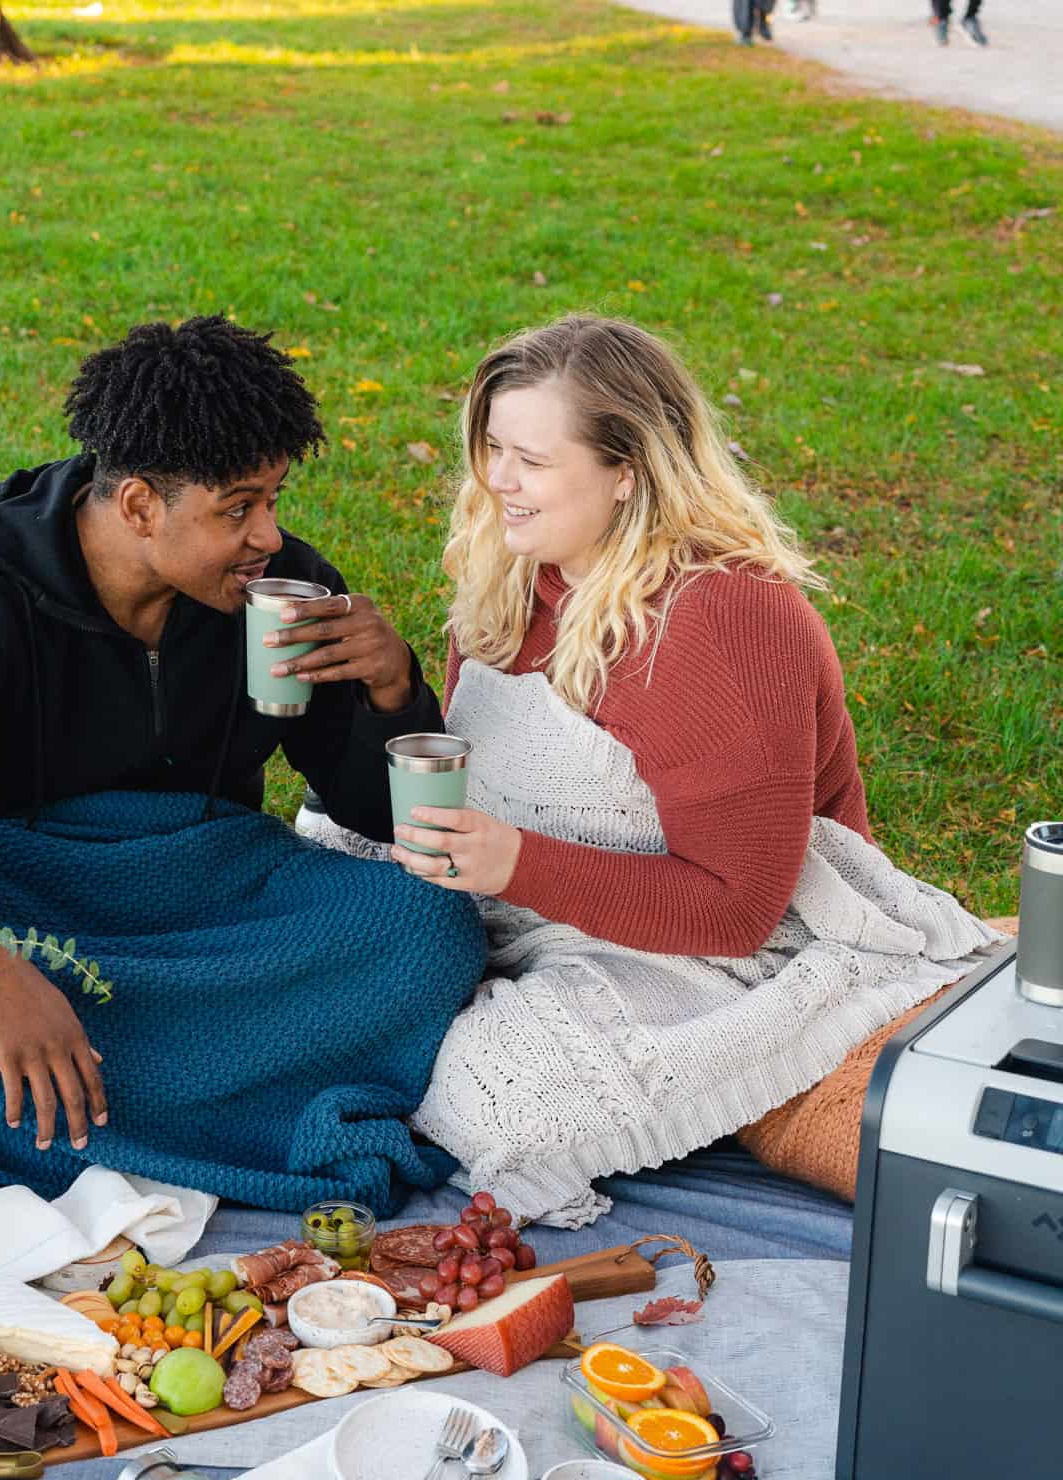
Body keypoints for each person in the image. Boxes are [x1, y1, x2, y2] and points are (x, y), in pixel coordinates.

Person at [351, 315, 992, 1225]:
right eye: (491, 447)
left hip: (723, 952)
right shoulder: (511, 574)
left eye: (530, 458)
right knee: (312, 930)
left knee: (488, 1096)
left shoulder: (724, 622)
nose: (497, 481)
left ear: (626, 472)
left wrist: (515, 864)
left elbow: (741, 909)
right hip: (529, 913)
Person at [0, 317, 483, 1212]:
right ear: (141, 505)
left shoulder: (277, 593)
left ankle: (41, 1120)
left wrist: (392, 689)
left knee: (432, 926)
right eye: (238, 508)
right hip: (15, 894)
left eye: (274, 498)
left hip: (209, 893)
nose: (270, 534)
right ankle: (187, 1103)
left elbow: (377, 819)